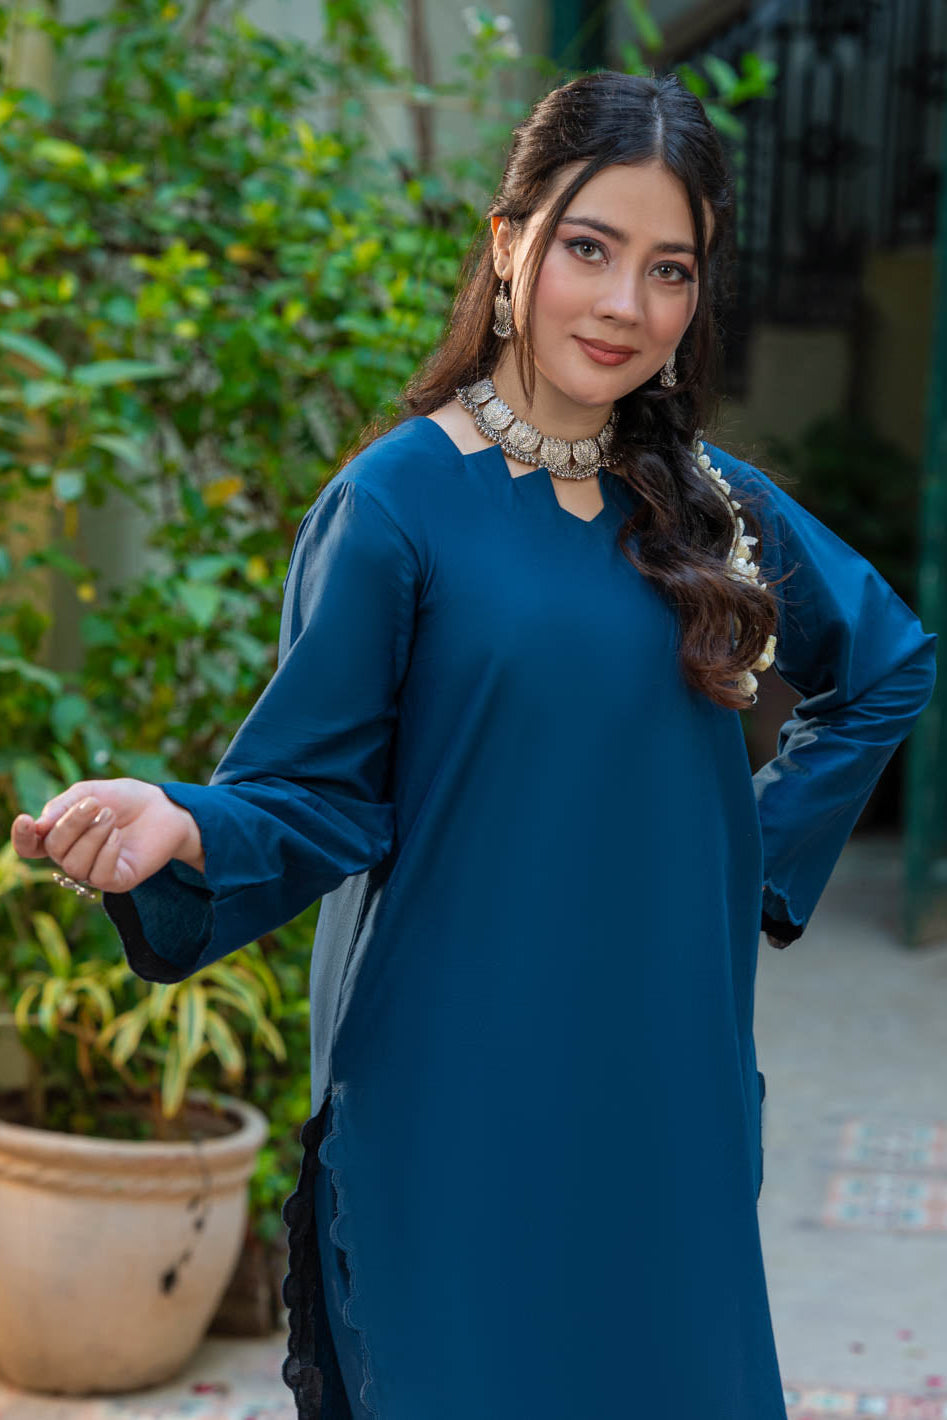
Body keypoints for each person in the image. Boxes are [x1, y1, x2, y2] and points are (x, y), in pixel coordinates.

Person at [10, 69, 938, 1420]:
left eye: (669, 270)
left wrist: (749, 870)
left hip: (662, 1092)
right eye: (589, 248)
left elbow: (887, 666)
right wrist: (186, 820)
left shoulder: (712, 508)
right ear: (510, 244)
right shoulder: (395, 507)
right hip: (457, 1096)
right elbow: (316, 795)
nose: (625, 305)